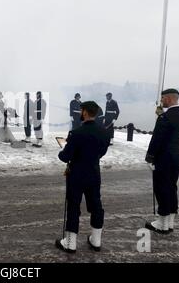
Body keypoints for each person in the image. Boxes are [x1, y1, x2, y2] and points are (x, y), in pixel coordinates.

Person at [56, 101, 110, 253]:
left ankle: (70, 243)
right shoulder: (104, 133)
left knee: (73, 206)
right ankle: (96, 240)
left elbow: (65, 157)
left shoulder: (76, 133)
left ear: (85, 112)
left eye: (81, 111)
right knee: (96, 205)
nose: (80, 113)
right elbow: (102, 152)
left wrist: (62, 151)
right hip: (94, 173)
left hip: (76, 175)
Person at [145, 89, 179, 234]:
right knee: (171, 187)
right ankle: (170, 222)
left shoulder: (165, 117)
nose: (161, 101)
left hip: (163, 158)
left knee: (161, 188)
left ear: (169, 99)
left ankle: (161, 225)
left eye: (163, 98)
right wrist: (161, 115)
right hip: (176, 156)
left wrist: (150, 157)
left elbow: (157, 139)